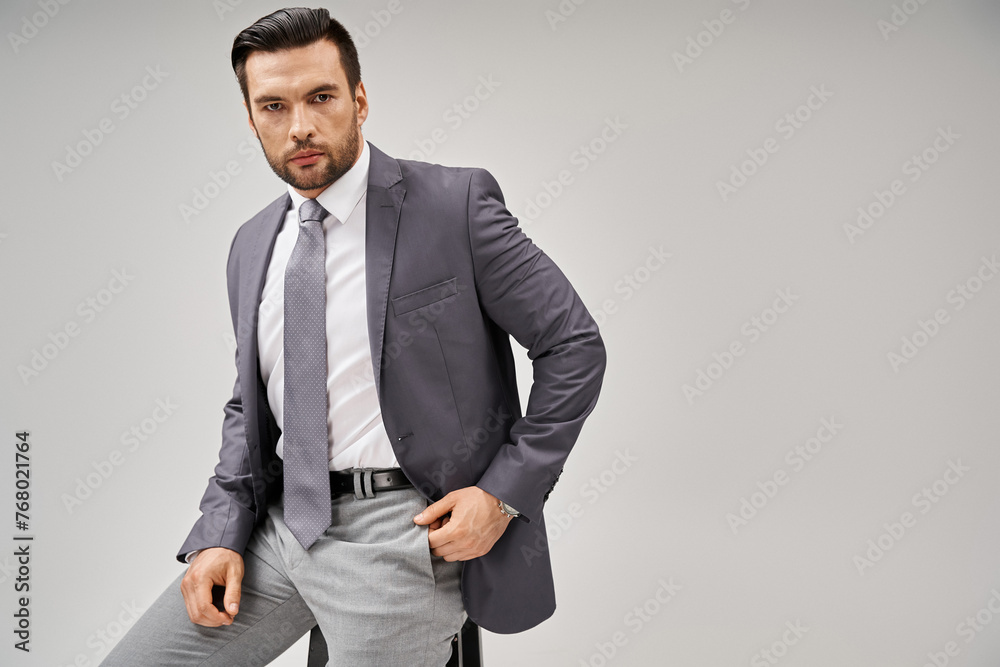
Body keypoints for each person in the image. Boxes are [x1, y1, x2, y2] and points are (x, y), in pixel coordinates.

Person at [102, 7, 605, 666]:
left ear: (359, 100)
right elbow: (250, 406)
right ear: (251, 120)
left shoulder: (453, 207)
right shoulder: (253, 244)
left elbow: (574, 345)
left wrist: (504, 494)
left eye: (321, 97)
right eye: (274, 106)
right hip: (281, 531)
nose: (301, 125)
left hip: (400, 536)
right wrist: (219, 533)